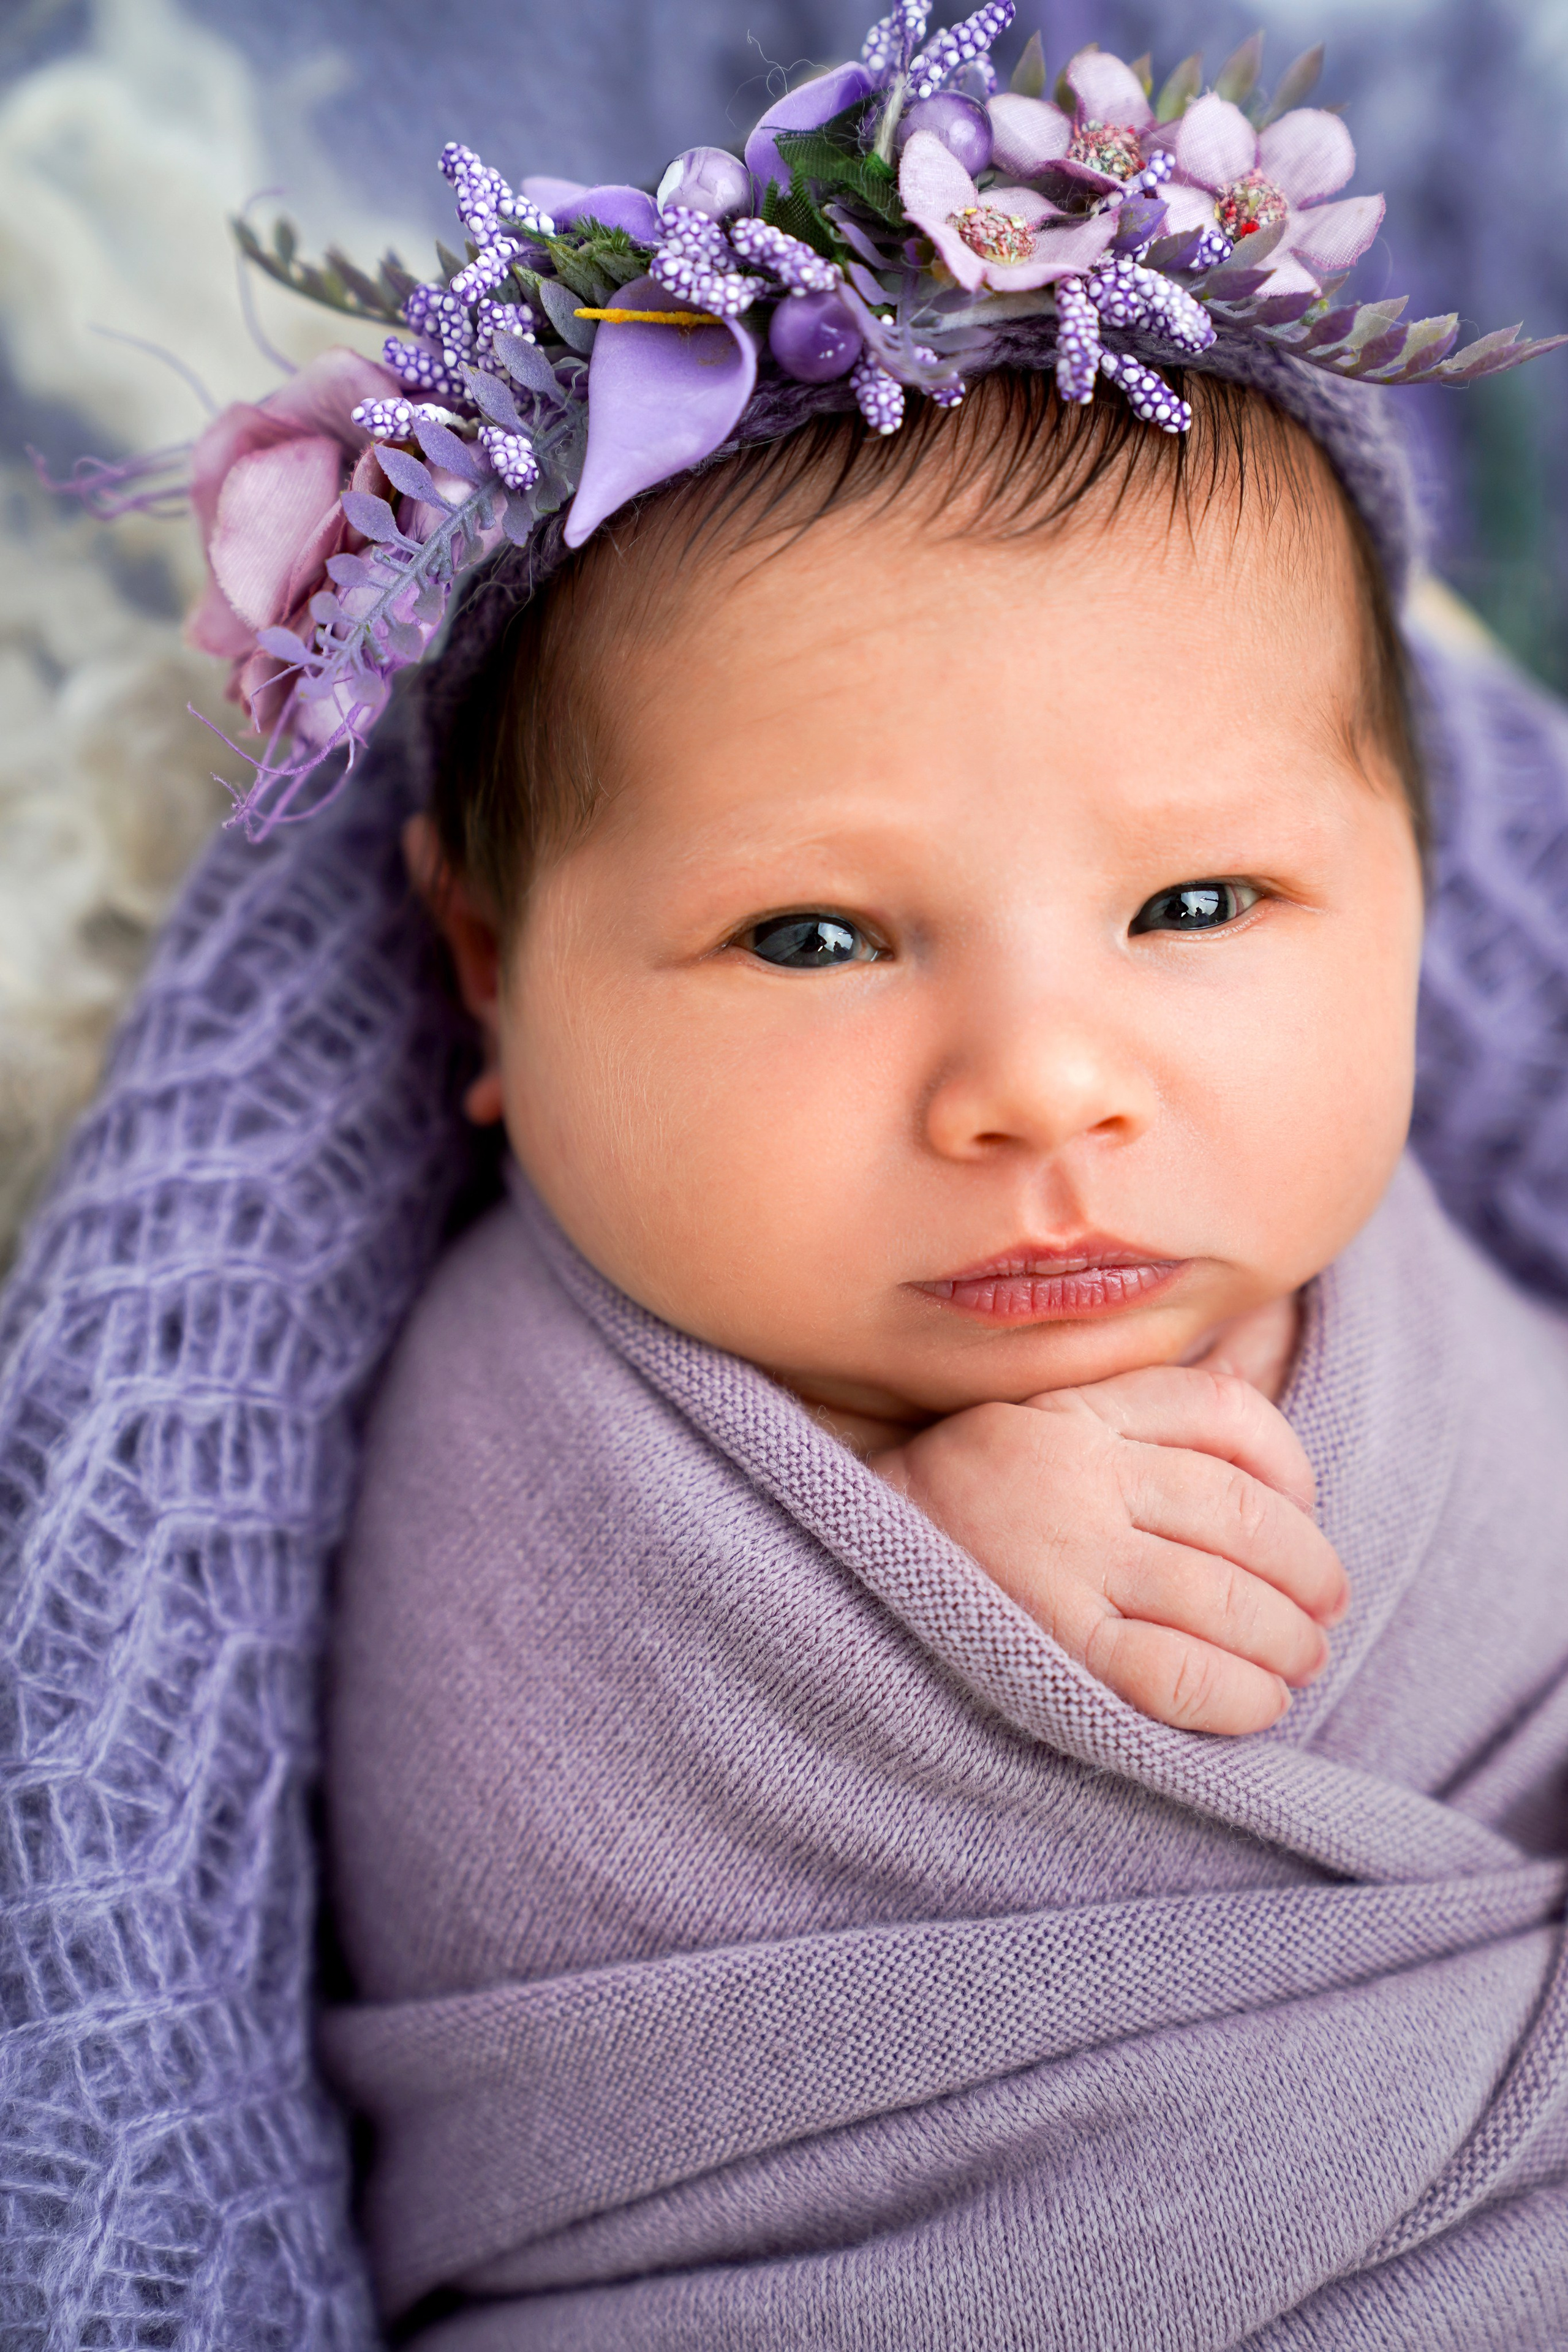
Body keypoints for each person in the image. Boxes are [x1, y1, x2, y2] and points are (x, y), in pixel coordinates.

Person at [10, 10, 1568, 2345]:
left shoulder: (1423, 1271)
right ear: (489, 971)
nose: (1045, 1085)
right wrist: (938, 1605)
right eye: (816, 936)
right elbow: (519, 1831)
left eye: (1200, 908)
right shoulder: (517, 1421)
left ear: (1418, 884)